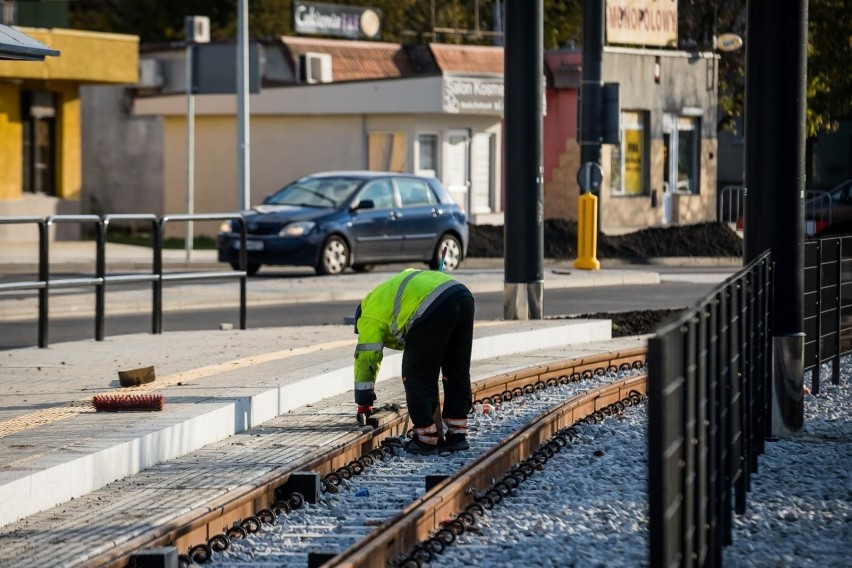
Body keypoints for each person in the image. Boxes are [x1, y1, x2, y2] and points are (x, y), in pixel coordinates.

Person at [352, 267, 475, 456]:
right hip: (462, 296)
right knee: (456, 369)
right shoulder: (386, 295)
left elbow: (366, 358)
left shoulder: (369, 316)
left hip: (432, 307)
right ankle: (457, 435)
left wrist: (364, 401)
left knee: (416, 375)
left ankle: (425, 438)